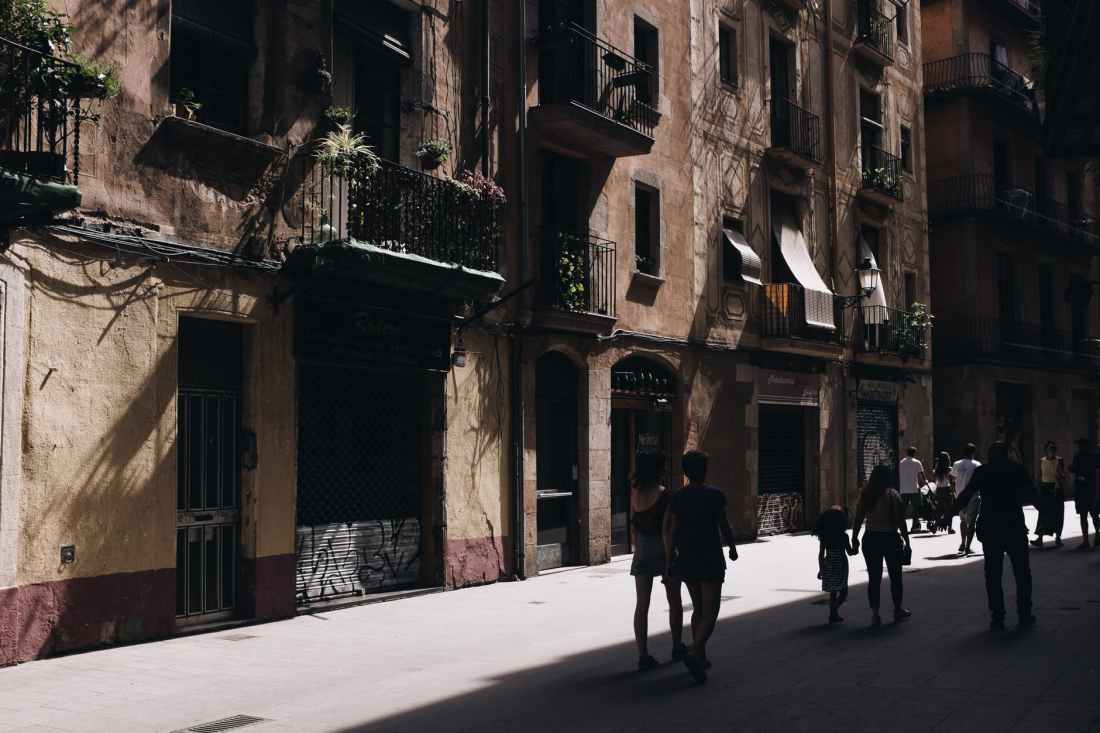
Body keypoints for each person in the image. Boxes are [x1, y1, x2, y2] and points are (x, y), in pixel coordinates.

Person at [663, 450, 737, 684]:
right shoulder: (715, 495)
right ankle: (694, 651)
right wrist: (732, 547)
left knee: (698, 609)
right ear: (704, 470)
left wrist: (669, 561)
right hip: (710, 557)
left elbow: (673, 530)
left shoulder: (678, 497)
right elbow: (723, 524)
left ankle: (701, 656)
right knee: (711, 612)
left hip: (687, 558)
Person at [954, 442, 1035, 631]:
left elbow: (966, 494)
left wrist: (948, 514)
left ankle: (998, 617)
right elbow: (1032, 494)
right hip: (1014, 526)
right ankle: (1025, 613)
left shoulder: (984, 471)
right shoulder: (1017, 469)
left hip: (991, 529)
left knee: (993, 574)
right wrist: (1046, 509)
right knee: (1022, 572)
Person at [628, 452, 684, 671]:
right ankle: (677, 646)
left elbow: (634, 526)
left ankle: (643, 655)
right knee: (674, 600)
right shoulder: (666, 495)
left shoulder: (635, 492)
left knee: (642, 605)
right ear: (659, 469)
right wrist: (670, 561)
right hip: (662, 550)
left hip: (641, 550)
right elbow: (666, 531)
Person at [852, 464, 912, 627]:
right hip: (890, 538)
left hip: (871, 538)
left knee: (874, 578)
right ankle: (897, 609)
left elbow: (858, 518)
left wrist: (854, 537)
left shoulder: (866, 494)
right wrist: (907, 542)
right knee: (895, 576)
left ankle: (875, 613)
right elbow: (901, 521)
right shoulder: (893, 495)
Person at [814, 506, 856, 624]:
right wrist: (856, 548)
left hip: (829, 563)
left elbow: (821, 554)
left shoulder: (825, 537)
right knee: (843, 592)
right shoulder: (843, 536)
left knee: (833, 591)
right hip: (841, 563)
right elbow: (850, 552)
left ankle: (833, 614)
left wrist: (821, 569)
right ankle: (834, 611)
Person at [1032, 441, 1066, 548]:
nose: (1051, 451)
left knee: (1058, 513)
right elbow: (1039, 475)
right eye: (1049, 449)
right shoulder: (1042, 461)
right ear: (1046, 450)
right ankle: (1040, 538)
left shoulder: (1059, 460)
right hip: (1045, 488)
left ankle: (1058, 538)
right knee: (1043, 513)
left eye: (1053, 449)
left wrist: (1060, 476)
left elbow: (1063, 475)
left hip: (1056, 489)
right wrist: (1036, 489)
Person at [1069, 438, 1100, 550]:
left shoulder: (1092, 456)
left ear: (1085, 446)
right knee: (1089, 514)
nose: (1079, 447)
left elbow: (1097, 472)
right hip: (1084, 489)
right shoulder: (1079, 456)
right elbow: (1074, 468)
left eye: (1080, 445)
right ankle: (1090, 538)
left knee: (1090, 514)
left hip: (1088, 489)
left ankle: (1092, 537)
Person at [952, 443, 982, 554]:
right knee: (972, 522)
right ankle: (968, 547)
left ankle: (962, 543)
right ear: (973, 453)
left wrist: (954, 492)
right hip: (972, 497)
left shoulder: (956, 464)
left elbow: (952, 479)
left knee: (963, 521)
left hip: (959, 496)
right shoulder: (977, 464)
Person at [898, 447, 927, 533]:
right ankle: (915, 526)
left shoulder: (901, 463)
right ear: (914, 453)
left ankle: (901, 527)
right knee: (916, 508)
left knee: (902, 509)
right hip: (914, 488)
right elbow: (922, 475)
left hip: (903, 489)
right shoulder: (917, 462)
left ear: (907, 453)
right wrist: (925, 482)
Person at [930, 451, 956, 535]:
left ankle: (935, 526)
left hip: (939, 491)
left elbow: (935, 481)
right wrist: (953, 491)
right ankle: (949, 528)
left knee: (939, 510)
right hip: (947, 490)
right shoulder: (949, 469)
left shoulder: (936, 470)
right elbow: (952, 481)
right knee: (949, 510)